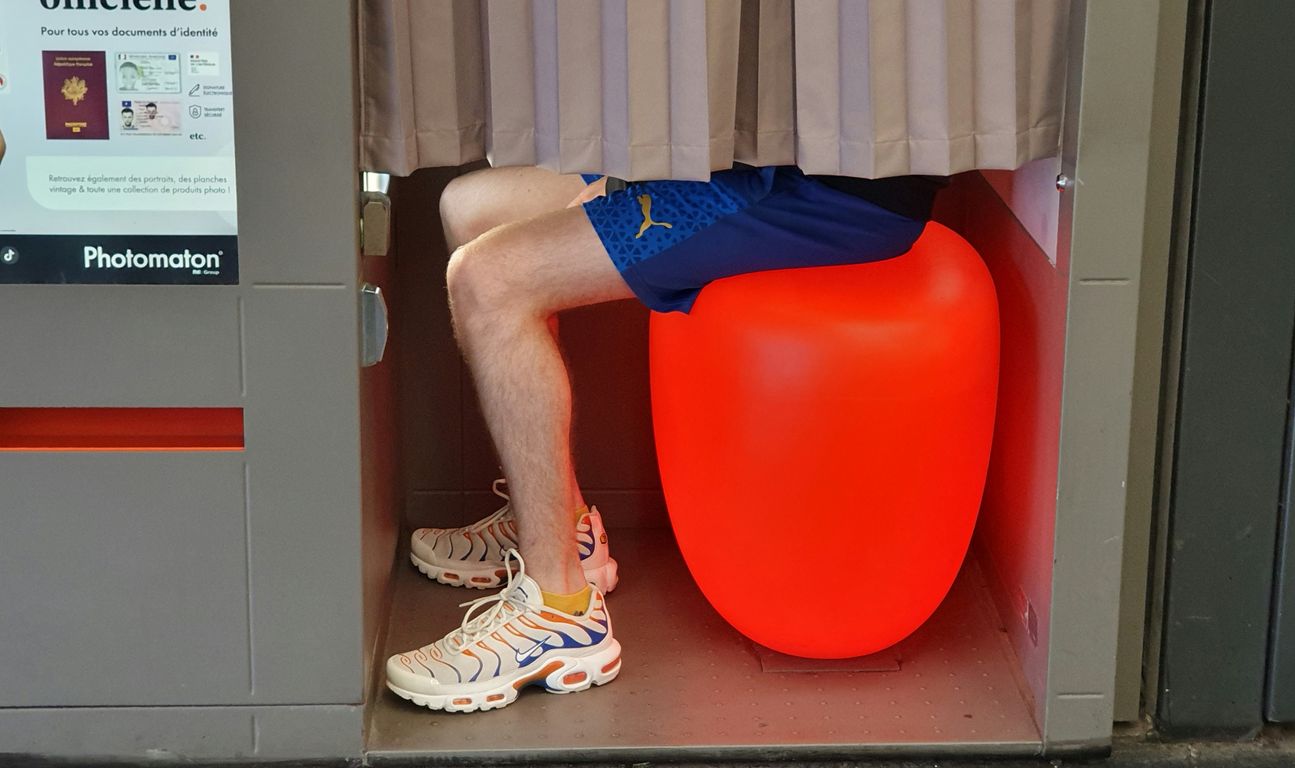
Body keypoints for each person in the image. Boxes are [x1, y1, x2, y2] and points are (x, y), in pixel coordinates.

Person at [385, 164, 941, 713]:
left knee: (488, 278)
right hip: (720, 163)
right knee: (470, 208)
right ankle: (563, 528)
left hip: (815, 191)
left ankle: (559, 611)